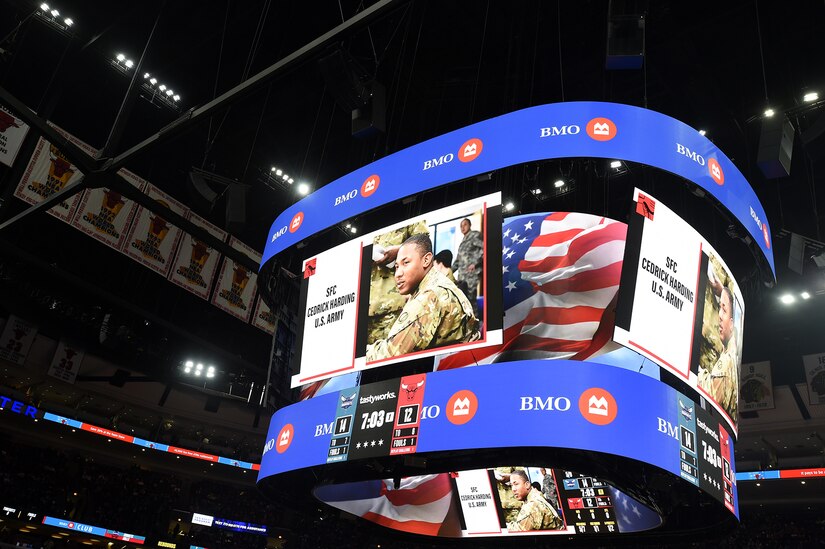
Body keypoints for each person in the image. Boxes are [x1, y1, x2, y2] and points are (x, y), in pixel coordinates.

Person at [366, 233, 480, 361]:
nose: (398, 274)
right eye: (397, 266)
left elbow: (387, 356)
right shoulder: (434, 282)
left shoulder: (428, 298)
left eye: (406, 263)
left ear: (426, 260)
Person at [367, 220, 429, 345]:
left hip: (393, 307)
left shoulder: (408, 212)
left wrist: (400, 250)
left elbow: (424, 244)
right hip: (362, 308)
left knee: (391, 355)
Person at [698, 270, 739, 419]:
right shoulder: (732, 347)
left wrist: (693, 370)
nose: (720, 316)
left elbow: (710, 393)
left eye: (724, 310)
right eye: (720, 308)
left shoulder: (726, 363)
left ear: (732, 322)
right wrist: (720, 291)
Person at [451, 218, 483, 308]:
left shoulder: (475, 235)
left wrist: (475, 263)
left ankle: (475, 321)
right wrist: (448, 271)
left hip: (471, 275)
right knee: (464, 301)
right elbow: (458, 260)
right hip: (462, 276)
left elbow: (484, 248)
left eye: (465, 225)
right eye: (461, 226)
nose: (462, 227)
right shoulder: (463, 241)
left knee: (471, 299)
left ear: (470, 225)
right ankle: (469, 321)